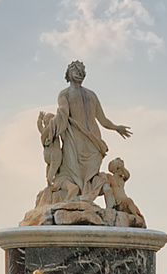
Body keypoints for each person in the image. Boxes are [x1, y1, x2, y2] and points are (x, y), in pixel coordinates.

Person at [41, 60, 132, 197]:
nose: (79, 73)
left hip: (89, 141)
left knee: (84, 176)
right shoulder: (66, 94)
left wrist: (116, 127)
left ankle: (81, 201)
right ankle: (79, 201)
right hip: (79, 140)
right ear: (68, 74)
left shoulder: (89, 95)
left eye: (82, 71)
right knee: (76, 174)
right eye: (75, 70)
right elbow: (63, 114)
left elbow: (102, 119)